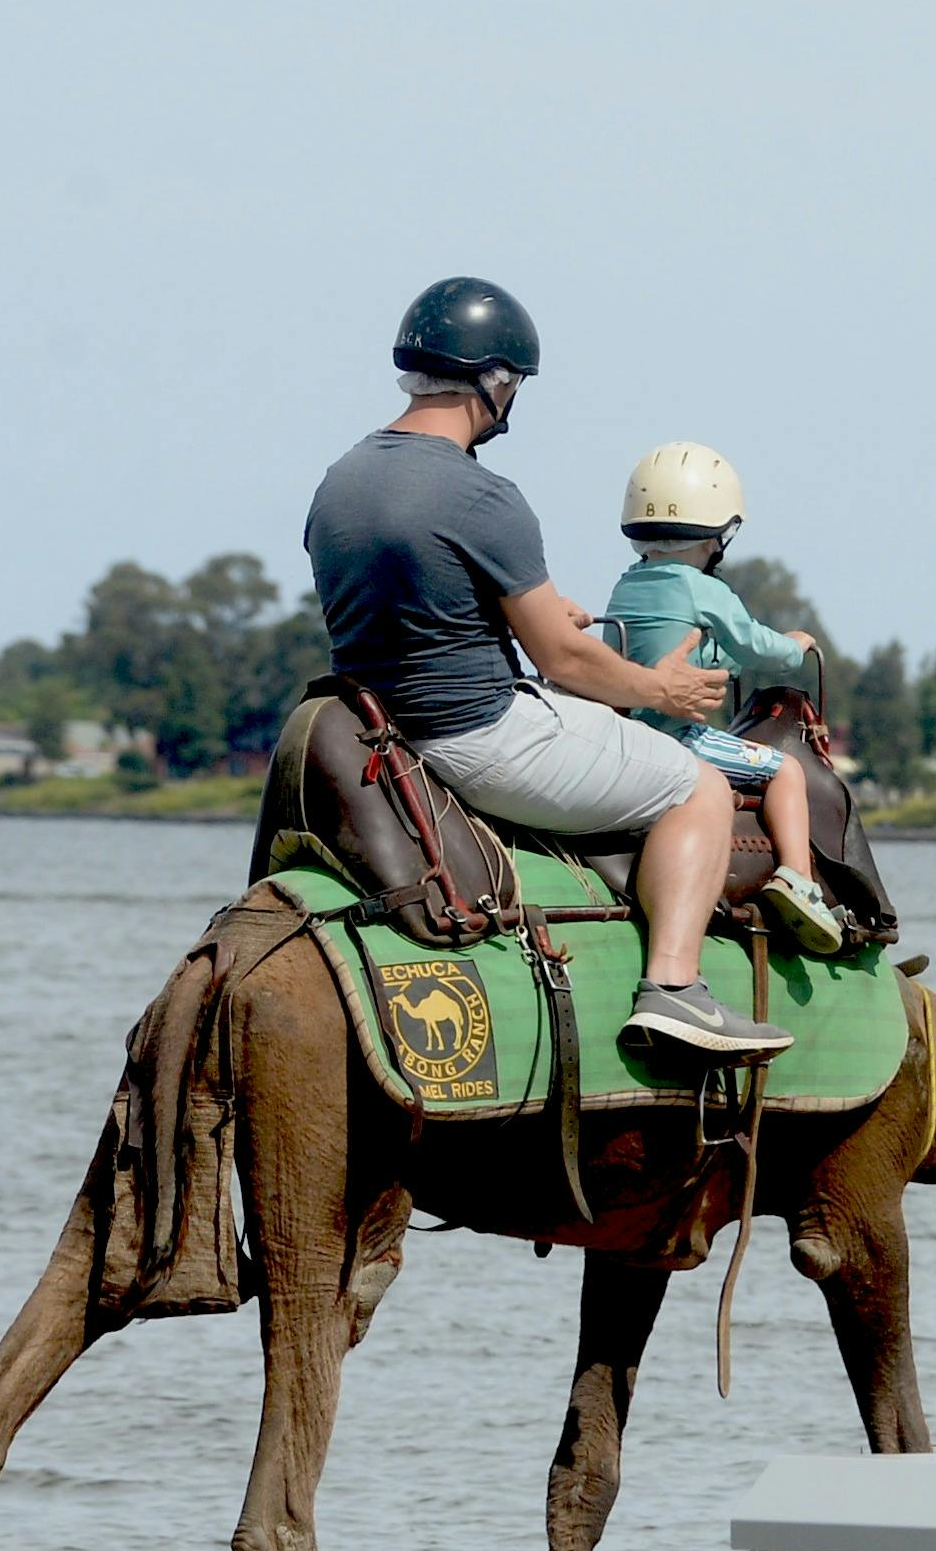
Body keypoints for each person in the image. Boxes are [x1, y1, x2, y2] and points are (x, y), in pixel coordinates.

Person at [299, 276, 785, 1060]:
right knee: (698, 788)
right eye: (514, 384)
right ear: (495, 381)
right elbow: (560, 662)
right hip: (476, 736)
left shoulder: (341, 481)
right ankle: (675, 991)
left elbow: (418, 597)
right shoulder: (481, 495)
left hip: (382, 735)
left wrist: (535, 612)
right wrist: (659, 689)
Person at [595, 443, 849, 958]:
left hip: (626, 735)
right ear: (719, 533)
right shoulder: (701, 589)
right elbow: (757, 646)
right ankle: (799, 880)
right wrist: (796, 646)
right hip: (677, 738)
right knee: (785, 772)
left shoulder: (628, 586)